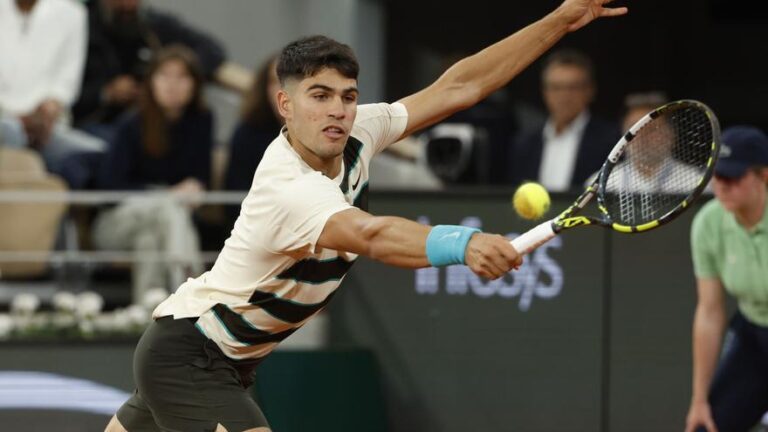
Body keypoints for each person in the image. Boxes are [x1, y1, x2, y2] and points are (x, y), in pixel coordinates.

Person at [105, 1, 627, 431]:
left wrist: (560, 19)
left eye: (348, 97)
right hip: (192, 355)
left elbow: (458, 88)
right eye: (319, 96)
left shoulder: (359, 131)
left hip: (221, 356)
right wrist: (462, 243)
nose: (337, 109)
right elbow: (371, 235)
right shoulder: (288, 186)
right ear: (285, 105)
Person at [92, 45, 212, 304]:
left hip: (163, 225)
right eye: (165, 75)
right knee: (168, 206)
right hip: (116, 223)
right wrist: (167, 194)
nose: (172, 85)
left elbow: (201, 177)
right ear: (151, 82)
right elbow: (110, 189)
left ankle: (148, 313)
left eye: (182, 77)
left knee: (149, 241)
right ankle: (192, 294)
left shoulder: (202, 121)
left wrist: (196, 188)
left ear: (194, 84)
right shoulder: (130, 124)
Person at [685, 126, 768, 432]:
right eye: (717, 176)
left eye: (733, 177)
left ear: (763, 177)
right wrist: (699, 399)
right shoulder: (708, 223)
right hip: (753, 334)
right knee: (706, 425)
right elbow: (709, 312)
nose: (722, 186)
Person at [73, 0, 248, 141]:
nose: (128, 5)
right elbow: (66, 96)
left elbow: (211, 50)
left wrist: (169, 78)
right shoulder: (80, 26)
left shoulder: (152, 26)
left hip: (155, 123)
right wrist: (106, 93)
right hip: (96, 124)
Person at [0, 0, 105, 189]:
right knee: (10, 131)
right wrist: (15, 118)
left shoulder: (72, 13)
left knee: (102, 154)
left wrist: (50, 108)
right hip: (4, 121)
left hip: (48, 126)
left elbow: (66, 82)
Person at [509, 48, 620, 191]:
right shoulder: (524, 144)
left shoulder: (611, 140)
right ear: (544, 92)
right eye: (556, 87)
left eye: (573, 87)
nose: (564, 96)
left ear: (590, 91)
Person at [223, 54, 283, 228]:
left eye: (289, 81)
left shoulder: (322, 132)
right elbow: (234, 197)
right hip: (259, 226)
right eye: (274, 81)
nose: (281, 90)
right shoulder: (247, 132)